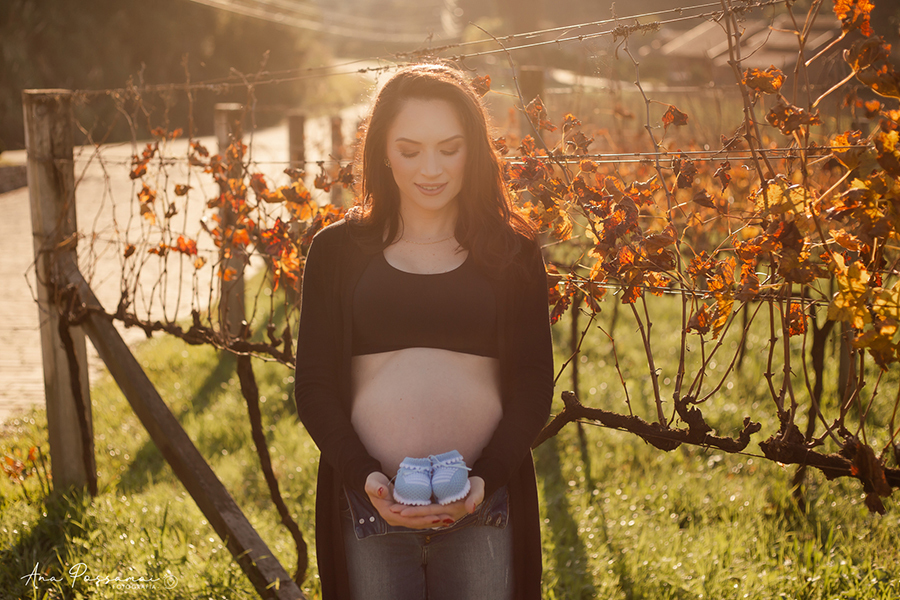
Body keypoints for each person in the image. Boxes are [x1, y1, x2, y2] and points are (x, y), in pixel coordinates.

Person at [294, 62, 554, 600]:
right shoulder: (336, 252)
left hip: (485, 508)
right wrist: (364, 476)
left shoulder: (512, 254)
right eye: (410, 150)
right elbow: (314, 386)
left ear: (473, 151)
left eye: (449, 148)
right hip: (370, 507)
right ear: (383, 152)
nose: (430, 169)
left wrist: (487, 479)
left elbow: (532, 386)